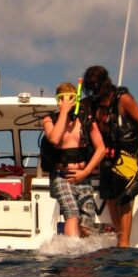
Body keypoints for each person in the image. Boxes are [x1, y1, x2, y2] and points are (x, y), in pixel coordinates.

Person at [82, 65, 138, 248]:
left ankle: (124, 243)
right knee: (110, 198)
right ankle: (119, 238)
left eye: (96, 87)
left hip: (126, 156)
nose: (94, 91)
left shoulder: (122, 99)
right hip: (107, 158)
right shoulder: (91, 103)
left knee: (124, 198)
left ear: (105, 83)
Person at [43, 82, 105, 237]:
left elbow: (101, 148)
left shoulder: (85, 120)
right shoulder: (49, 120)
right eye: (63, 99)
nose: (68, 102)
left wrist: (86, 172)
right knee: (71, 213)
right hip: (62, 175)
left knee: (86, 226)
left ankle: (82, 256)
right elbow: (55, 139)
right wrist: (63, 112)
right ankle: (71, 255)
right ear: (58, 101)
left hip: (83, 175)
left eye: (72, 98)